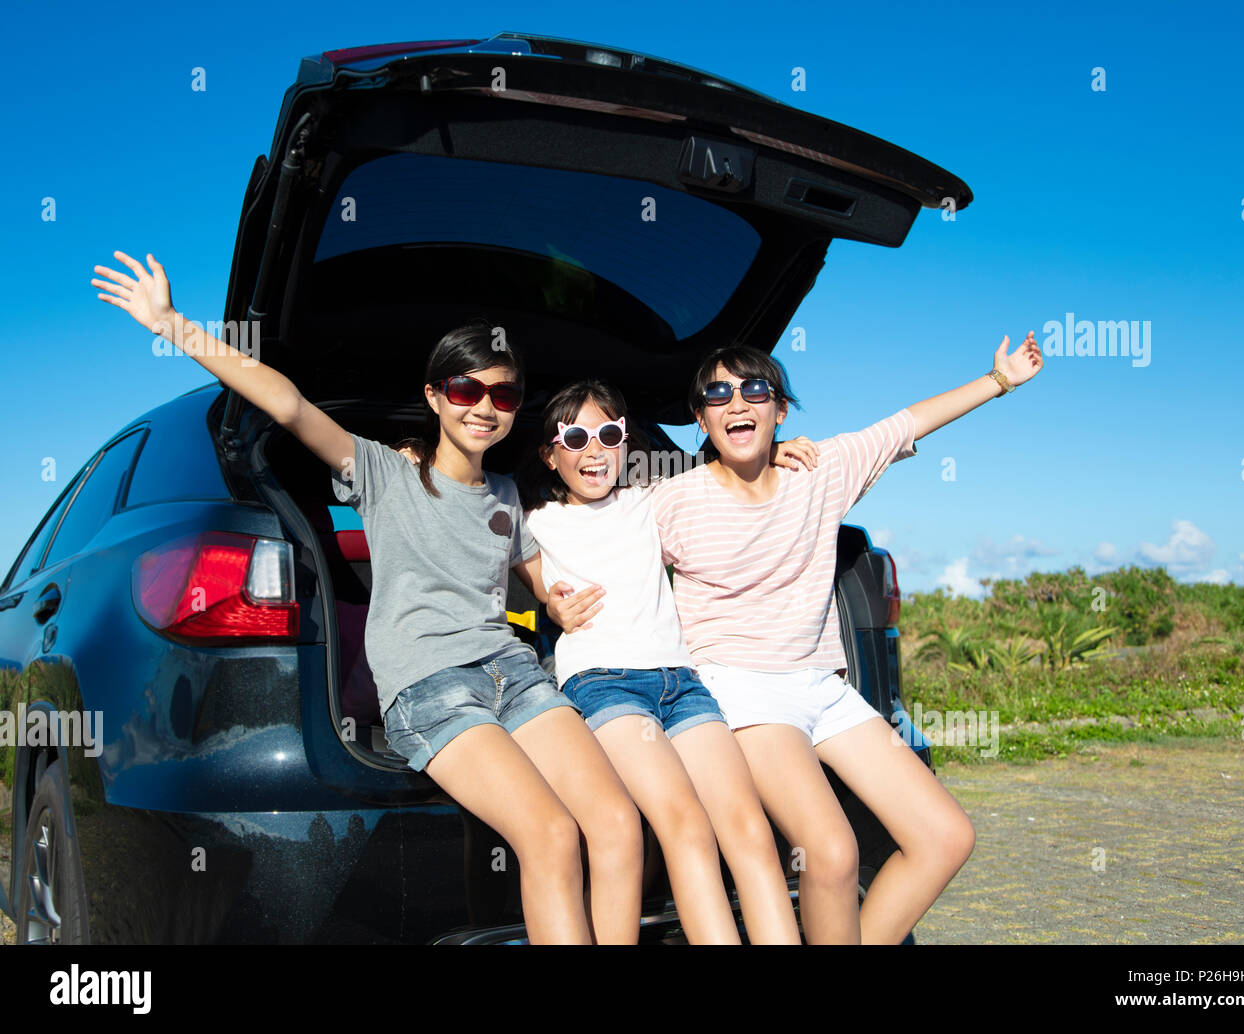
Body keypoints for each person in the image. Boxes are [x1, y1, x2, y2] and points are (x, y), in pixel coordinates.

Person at [91, 251, 643, 944]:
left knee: (618, 824)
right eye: (465, 390)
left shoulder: (506, 496)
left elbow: (537, 578)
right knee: (553, 835)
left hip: (516, 675)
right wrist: (171, 323)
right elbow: (287, 403)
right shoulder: (383, 472)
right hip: (431, 687)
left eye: (502, 396)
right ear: (436, 397)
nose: (484, 406)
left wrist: (560, 608)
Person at [556, 337, 1042, 943]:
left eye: (754, 389)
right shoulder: (672, 497)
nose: (737, 401)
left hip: (823, 686)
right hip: (741, 692)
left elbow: (908, 422)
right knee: (832, 852)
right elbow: (589, 503)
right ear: (702, 419)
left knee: (946, 837)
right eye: (717, 393)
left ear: (778, 409)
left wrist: (997, 380)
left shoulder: (822, 470)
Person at [508, 379, 815, 944]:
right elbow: (461, 511)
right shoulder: (532, 519)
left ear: (625, 442)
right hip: (605, 683)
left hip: (682, 682)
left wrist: (769, 451)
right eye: (575, 437)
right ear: (550, 455)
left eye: (608, 433)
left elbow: (726, 468)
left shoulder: (656, 498)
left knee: (748, 828)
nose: (594, 449)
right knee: (687, 824)